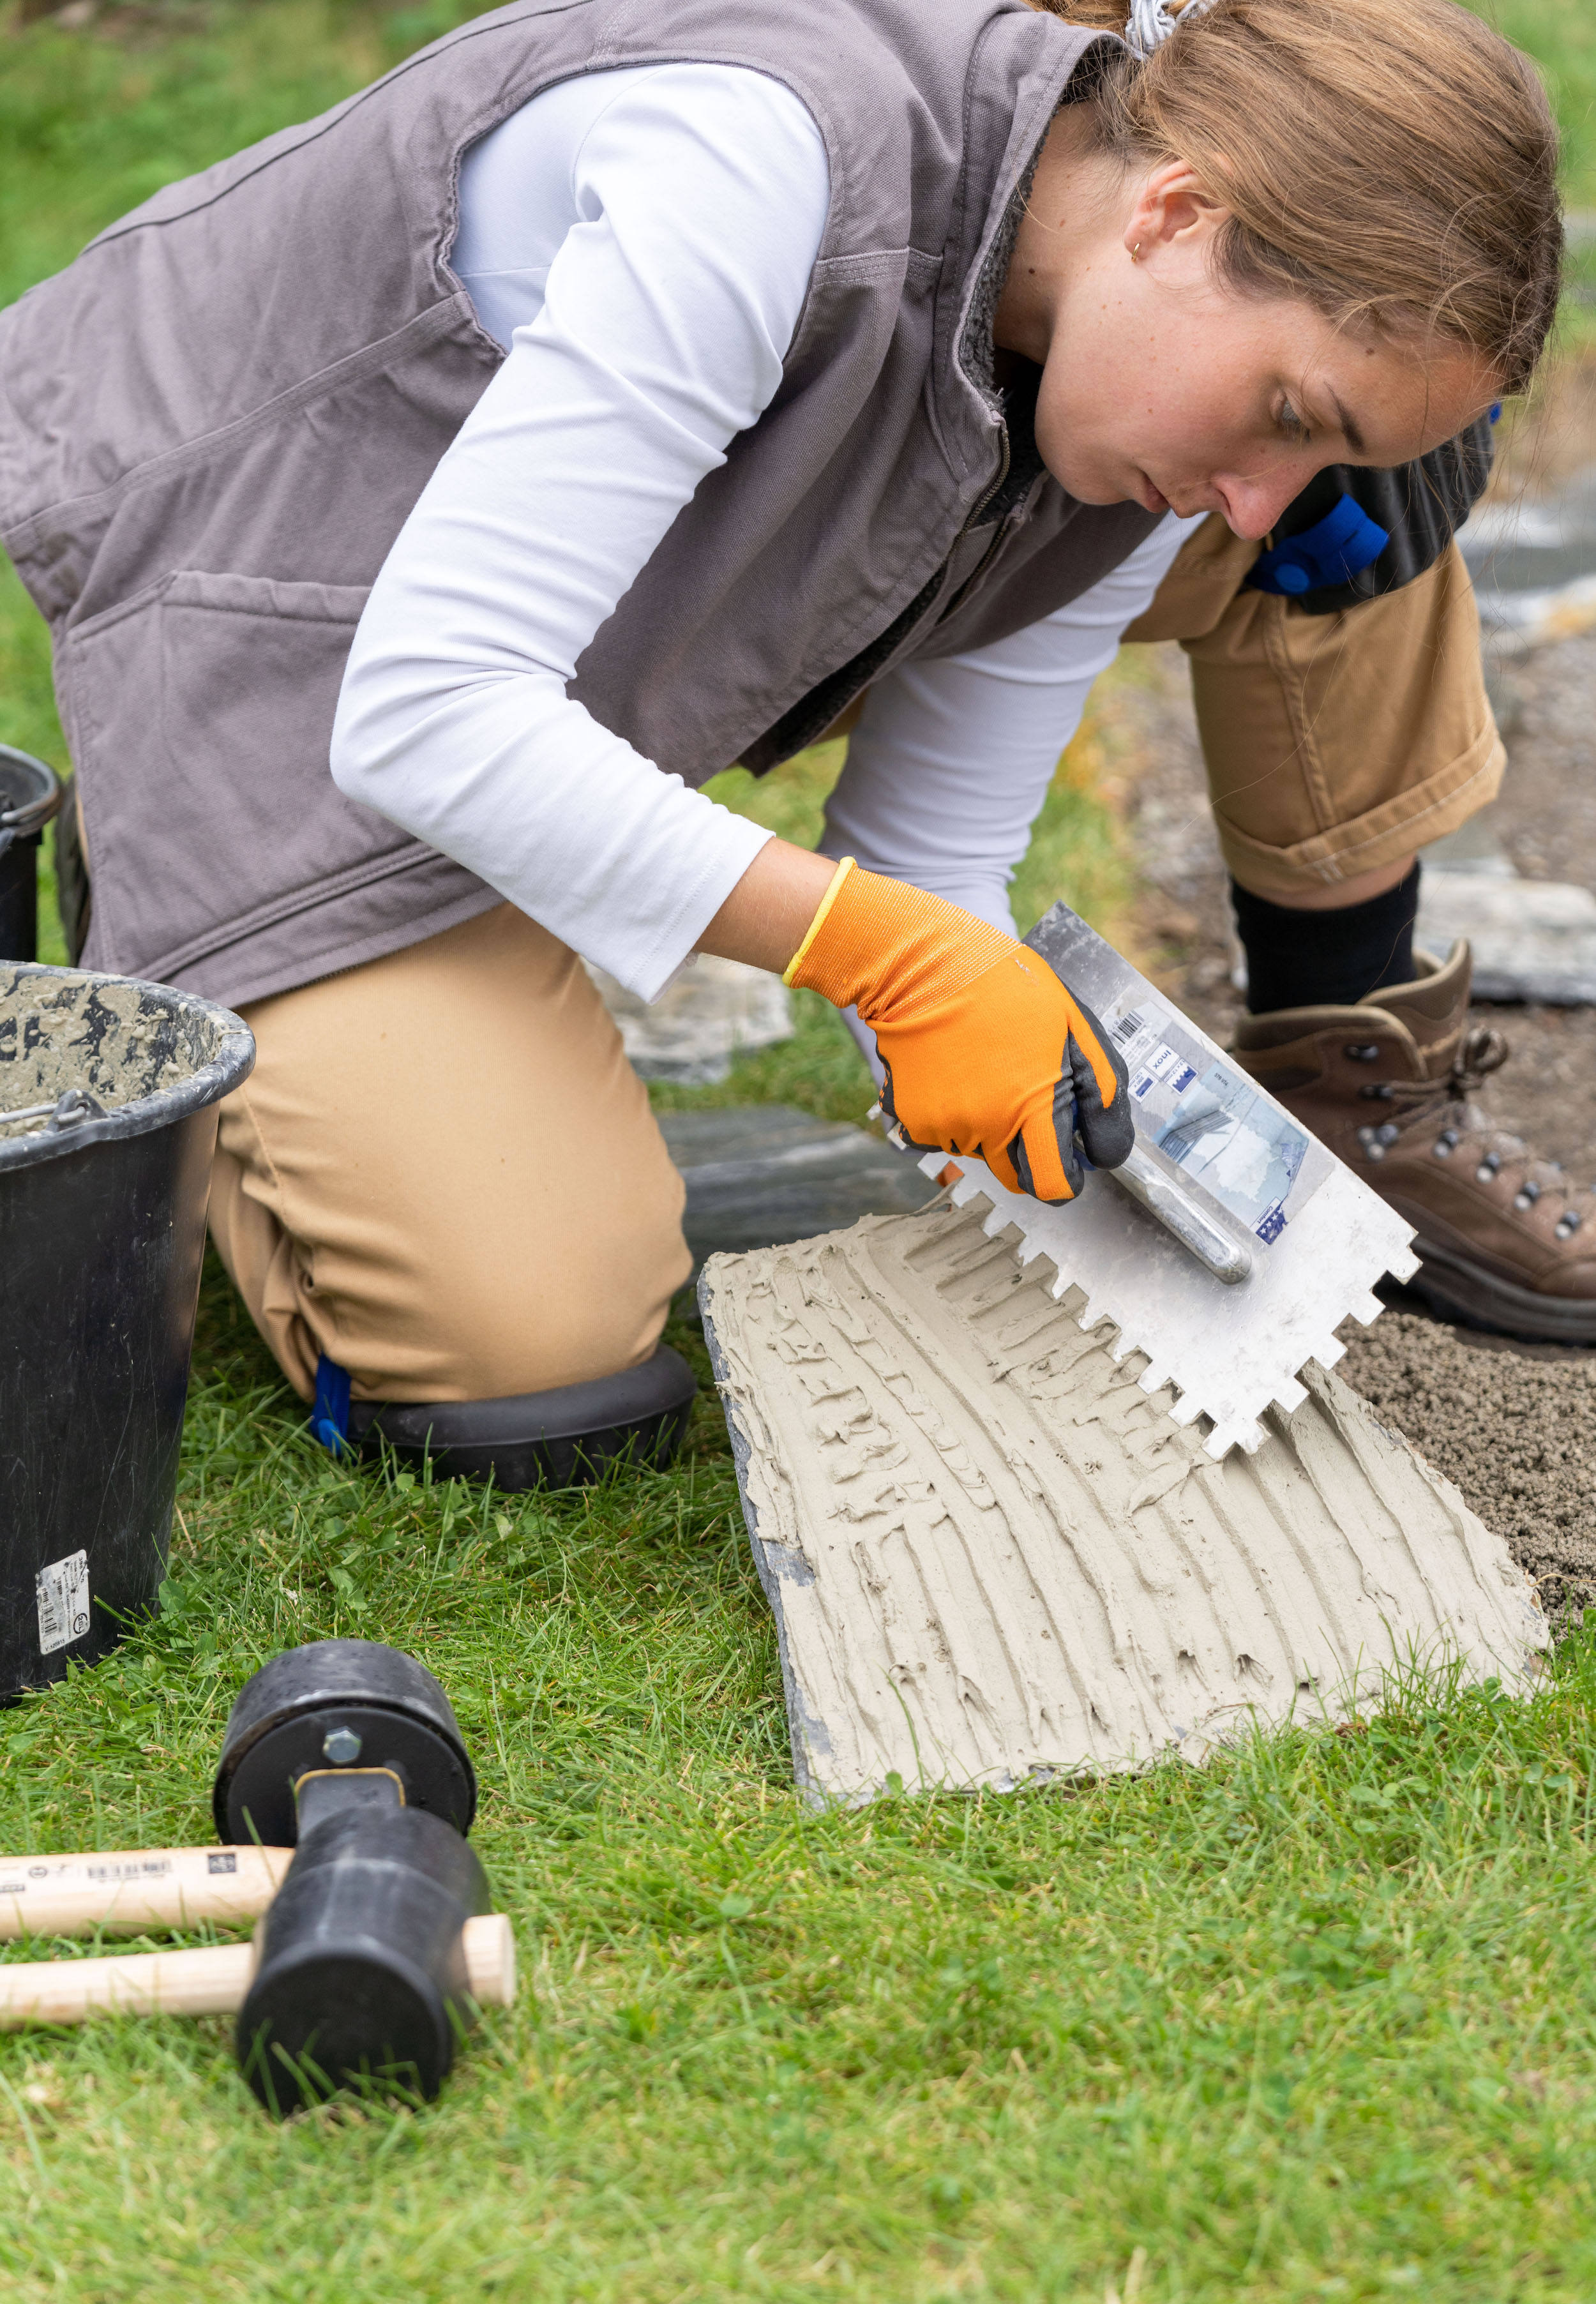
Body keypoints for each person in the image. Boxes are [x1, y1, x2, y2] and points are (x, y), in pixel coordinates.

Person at [0, 0, 1575, 1488]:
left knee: (571, 1267)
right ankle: (188, 928)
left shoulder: (1138, 410)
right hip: (268, 606)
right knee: (529, 1351)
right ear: (1173, 215)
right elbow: (430, 709)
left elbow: (931, 852)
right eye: (1290, 413)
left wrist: (1067, 1169)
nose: (1257, 502)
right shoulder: (759, 170)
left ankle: (473, 936)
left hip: (529, 649)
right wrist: (879, 959)